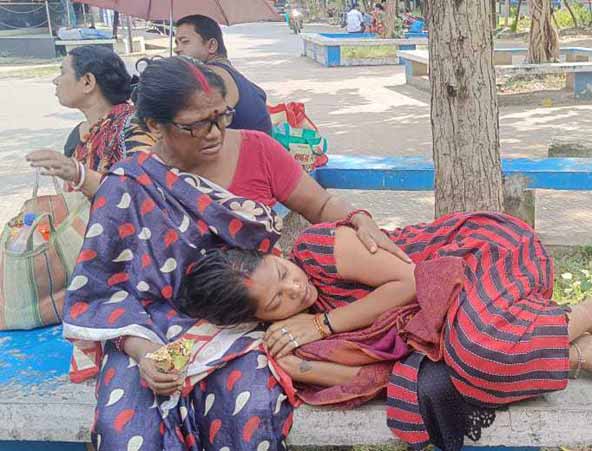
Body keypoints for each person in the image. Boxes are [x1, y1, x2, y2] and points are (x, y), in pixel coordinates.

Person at [62, 56, 407, 451]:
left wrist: (359, 218)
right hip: (150, 332)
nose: (215, 133)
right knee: (125, 427)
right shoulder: (127, 186)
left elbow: (320, 205)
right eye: (195, 124)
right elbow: (106, 291)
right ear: (155, 125)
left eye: (221, 116)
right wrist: (144, 354)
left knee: (247, 412)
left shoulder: (257, 149)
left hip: (249, 323)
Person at [178, 211, 592, 451]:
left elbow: (414, 281)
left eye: (281, 271)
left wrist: (323, 324)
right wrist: (305, 366)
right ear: (263, 318)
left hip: (477, 258)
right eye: (277, 300)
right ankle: (576, 350)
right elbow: (380, 378)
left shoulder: (318, 249)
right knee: (459, 371)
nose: (294, 287)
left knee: (471, 352)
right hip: (460, 316)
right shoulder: (289, 332)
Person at [25, 46, 153, 199]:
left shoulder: (133, 128)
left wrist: (81, 175)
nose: (55, 81)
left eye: (63, 72)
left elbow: (144, 197)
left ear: (88, 82)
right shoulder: (78, 136)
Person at [174, 14, 273, 134]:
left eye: (184, 42)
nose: (177, 49)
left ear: (211, 46)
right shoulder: (229, 71)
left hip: (249, 150)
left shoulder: (212, 75)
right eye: (176, 43)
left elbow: (199, 128)